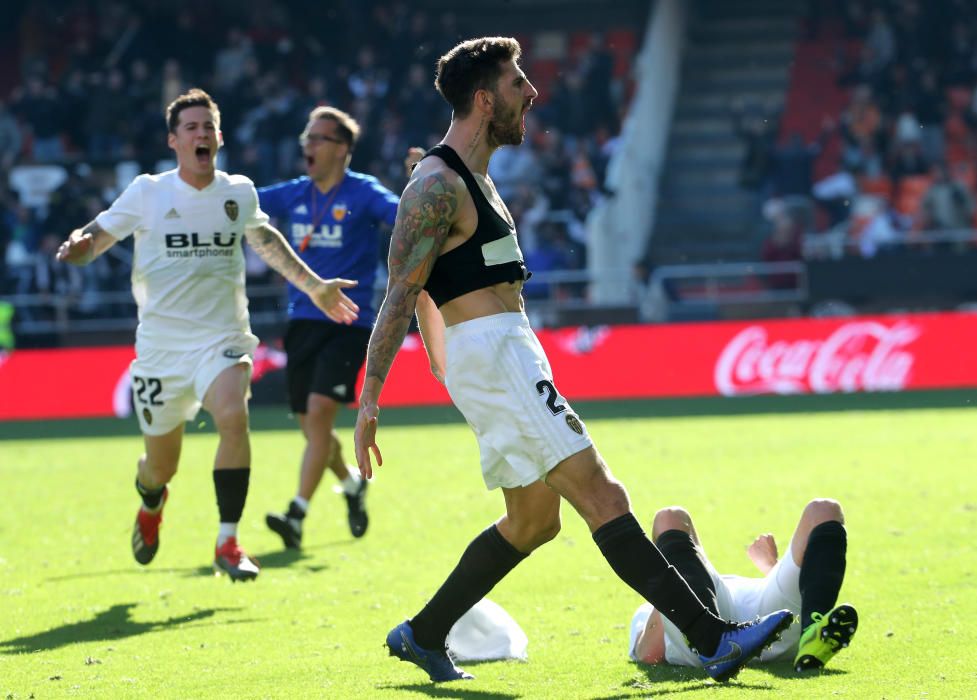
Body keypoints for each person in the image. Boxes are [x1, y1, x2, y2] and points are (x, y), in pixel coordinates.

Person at [353, 36, 792, 684]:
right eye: (516, 83)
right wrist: (369, 400)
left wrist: (448, 362)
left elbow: (424, 287)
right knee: (602, 492)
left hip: (503, 353)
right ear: (483, 98)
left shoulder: (469, 179)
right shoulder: (437, 183)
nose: (530, 92)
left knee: (532, 522)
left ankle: (423, 633)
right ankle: (711, 638)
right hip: (497, 356)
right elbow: (400, 292)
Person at [56, 89, 359, 582]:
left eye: (208, 127)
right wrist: (78, 248)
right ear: (173, 140)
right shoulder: (148, 192)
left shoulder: (237, 192)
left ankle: (227, 540)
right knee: (161, 468)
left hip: (222, 337)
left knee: (233, 416)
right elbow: (96, 239)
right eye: (191, 127)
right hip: (160, 350)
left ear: (218, 138)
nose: (201, 134)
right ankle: (151, 504)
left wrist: (314, 286)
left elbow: (265, 240)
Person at [258, 106, 420, 547]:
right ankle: (351, 484)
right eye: (306, 138)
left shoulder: (363, 193)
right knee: (313, 428)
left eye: (319, 138)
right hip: (302, 321)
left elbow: (406, 215)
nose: (308, 146)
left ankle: (296, 513)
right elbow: (240, 201)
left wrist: (422, 181)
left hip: (348, 322)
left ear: (343, 149)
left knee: (318, 414)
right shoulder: (293, 193)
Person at [629, 499, 856, 674]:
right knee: (670, 516)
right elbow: (649, 654)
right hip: (706, 634)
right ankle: (716, 644)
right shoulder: (648, 609)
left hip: (778, 623)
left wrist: (771, 567)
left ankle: (812, 632)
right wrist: (669, 589)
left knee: (824, 510)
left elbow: (799, 587)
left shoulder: (714, 581)